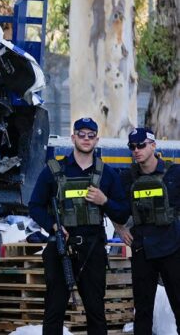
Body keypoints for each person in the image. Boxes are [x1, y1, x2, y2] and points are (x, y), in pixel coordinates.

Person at [29, 117, 129, 335]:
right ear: (73, 137)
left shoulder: (108, 174)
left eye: (90, 136)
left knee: (95, 311)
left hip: (92, 250)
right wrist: (54, 226)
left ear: (97, 139)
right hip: (60, 248)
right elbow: (34, 206)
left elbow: (122, 211)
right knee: (54, 311)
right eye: (81, 135)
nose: (86, 139)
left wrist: (104, 201)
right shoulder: (54, 171)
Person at [115, 128, 180, 335]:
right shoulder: (127, 178)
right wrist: (120, 229)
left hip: (172, 249)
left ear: (153, 145)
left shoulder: (174, 173)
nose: (136, 150)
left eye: (141, 145)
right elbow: (113, 206)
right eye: (132, 147)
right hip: (142, 251)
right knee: (143, 312)